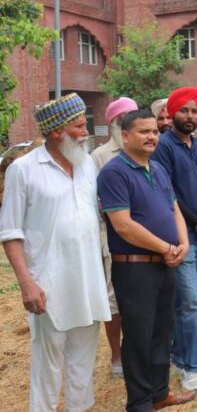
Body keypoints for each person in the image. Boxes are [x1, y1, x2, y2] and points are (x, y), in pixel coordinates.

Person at [0, 93, 111, 411]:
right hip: (48, 284)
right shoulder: (23, 170)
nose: (86, 132)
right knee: (47, 365)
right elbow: (10, 232)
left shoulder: (86, 165)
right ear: (56, 131)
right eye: (78, 126)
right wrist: (27, 284)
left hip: (88, 281)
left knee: (83, 363)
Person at [97, 109, 197, 411]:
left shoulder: (158, 169)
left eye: (154, 131)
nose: (152, 136)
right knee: (139, 336)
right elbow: (123, 225)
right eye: (144, 131)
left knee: (161, 332)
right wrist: (166, 247)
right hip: (134, 267)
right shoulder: (114, 172)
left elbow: (174, 209)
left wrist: (183, 243)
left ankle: (159, 392)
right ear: (125, 136)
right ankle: (140, 402)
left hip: (165, 263)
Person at [151, 87, 197, 392]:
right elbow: (168, 194)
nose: (190, 116)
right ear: (173, 112)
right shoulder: (164, 147)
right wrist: (196, 222)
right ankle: (189, 365)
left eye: (194, 111)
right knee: (188, 301)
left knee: (194, 298)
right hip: (182, 235)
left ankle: (185, 357)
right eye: (184, 110)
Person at [91, 96, 138, 377]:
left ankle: (138, 351)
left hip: (147, 239)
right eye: (126, 118)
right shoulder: (99, 156)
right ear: (115, 123)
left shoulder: (146, 150)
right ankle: (117, 356)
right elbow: (95, 200)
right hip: (112, 239)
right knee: (114, 299)